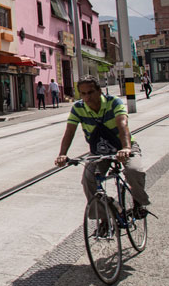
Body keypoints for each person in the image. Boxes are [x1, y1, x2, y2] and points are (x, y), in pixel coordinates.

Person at [54, 75, 149, 217]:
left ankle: (139, 203)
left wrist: (126, 148)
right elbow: (69, 132)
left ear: (99, 91)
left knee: (133, 171)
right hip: (100, 151)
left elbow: (123, 124)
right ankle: (103, 218)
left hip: (123, 146)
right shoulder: (78, 108)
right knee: (88, 178)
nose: (87, 97)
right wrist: (62, 154)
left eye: (90, 92)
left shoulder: (113, 102)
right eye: (83, 93)